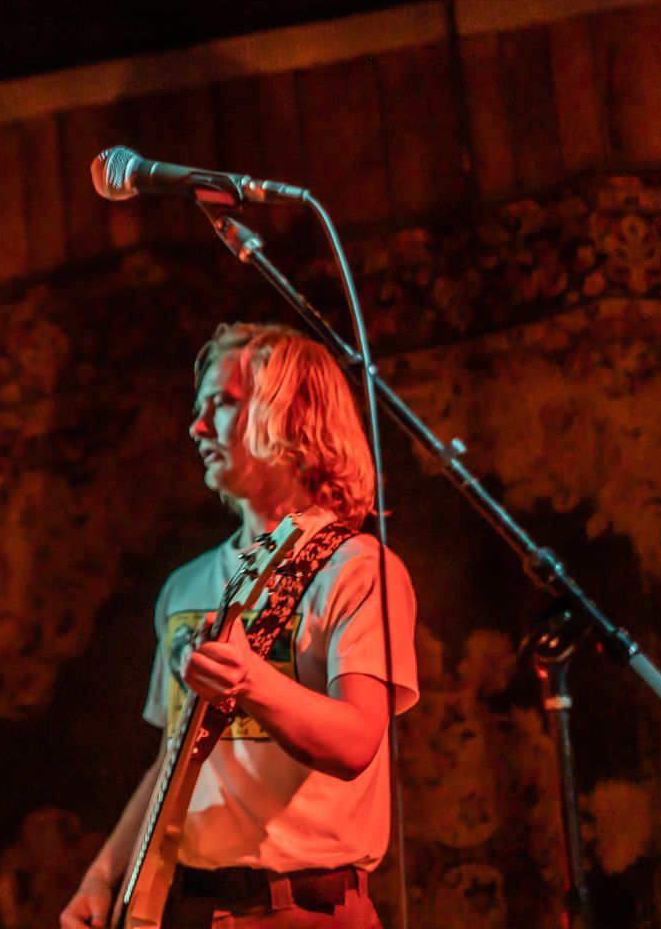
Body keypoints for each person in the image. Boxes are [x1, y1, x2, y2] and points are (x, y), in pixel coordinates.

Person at [60, 322, 417, 929]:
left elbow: (357, 741)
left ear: (292, 415)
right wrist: (102, 875)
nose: (197, 428)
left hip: (308, 909)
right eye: (199, 409)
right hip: (194, 909)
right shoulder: (185, 588)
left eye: (222, 404)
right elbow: (172, 758)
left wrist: (251, 680)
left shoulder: (357, 569)